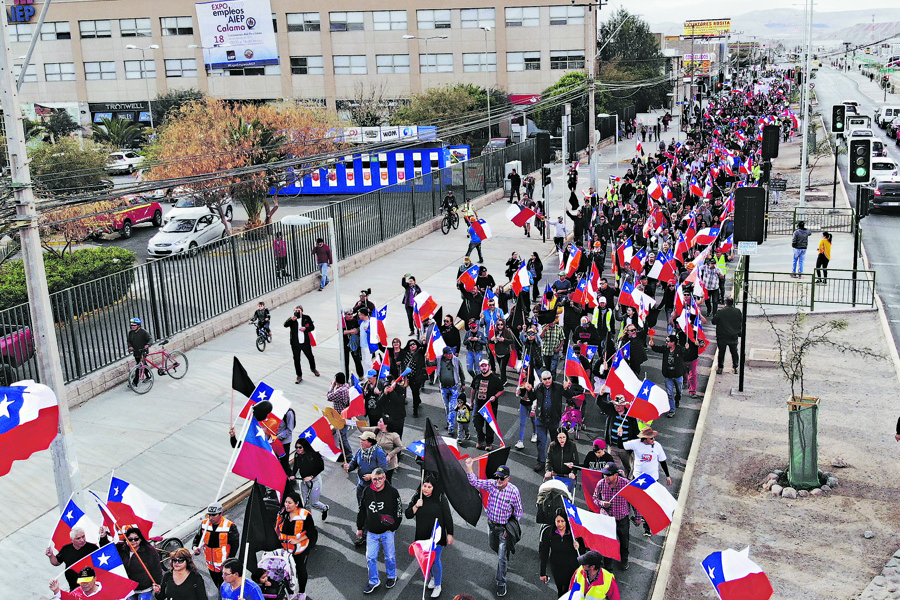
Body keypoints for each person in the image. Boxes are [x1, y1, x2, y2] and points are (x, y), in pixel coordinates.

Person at [464, 461, 524, 597]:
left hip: (504, 529)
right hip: (491, 524)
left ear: (508, 478)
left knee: (501, 558)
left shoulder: (514, 492)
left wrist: (510, 529)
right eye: (497, 477)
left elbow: (519, 511)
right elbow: (474, 482)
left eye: (501, 478)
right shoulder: (491, 484)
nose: (498, 480)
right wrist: (469, 467)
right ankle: (505, 556)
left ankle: (501, 583)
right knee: (493, 546)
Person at [405, 475, 455, 598]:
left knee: (435, 560)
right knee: (428, 560)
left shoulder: (440, 498)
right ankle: (433, 578)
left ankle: (438, 585)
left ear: (434, 487)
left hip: (436, 535)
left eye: (429, 486)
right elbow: (408, 514)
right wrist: (416, 506)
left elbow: (448, 517)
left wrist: (450, 533)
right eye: (424, 486)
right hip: (422, 535)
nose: (426, 489)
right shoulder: (418, 497)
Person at [357, 468, 402, 594]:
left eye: (380, 478)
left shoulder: (393, 492)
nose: (377, 482)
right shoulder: (367, 491)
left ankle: (392, 576)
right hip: (371, 532)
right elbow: (362, 511)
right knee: (370, 557)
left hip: (387, 532)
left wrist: (393, 527)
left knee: (390, 556)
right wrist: (360, 528)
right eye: (374, 479)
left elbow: (398, 511)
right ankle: (373, 581)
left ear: (384, 478)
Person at [623, 428, 671, 536]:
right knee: (637, 501)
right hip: (638, 479)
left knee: (650, 503)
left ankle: (647, 528)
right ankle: (637, 517)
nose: (654, 439)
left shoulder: (657, 446)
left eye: (654, 437)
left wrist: (667, 475)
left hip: (652, 479)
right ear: (644, 439)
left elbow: (662, 461)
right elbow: (622, 446)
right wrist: (620, 434)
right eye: (651, 438)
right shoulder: (635, 444)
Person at [344, 431, 390, 541]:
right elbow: (354, 463)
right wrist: (348, 466)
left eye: (363, 440)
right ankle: (365, 532)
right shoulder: (360, 451)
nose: (361, 442)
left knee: (373, 509)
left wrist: (372, 475)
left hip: (374, 487)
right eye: (360, 439)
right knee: (362, 508)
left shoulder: (378, 452)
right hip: (361, 486)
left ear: (370, 442)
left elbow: (383, 469)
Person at [526, 371, 574, 473]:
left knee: (555, 442)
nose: (547, 381)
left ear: (551, 378)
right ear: (542, 380)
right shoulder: (539, 387)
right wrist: (529, 391)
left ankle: (554, 463)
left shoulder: (558, 387)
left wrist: (566, 388)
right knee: (541, 442)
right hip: (541, 420)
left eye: (549, 378)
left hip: (554, 420)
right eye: (545, 379)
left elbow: (570, 396)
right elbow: (531, 398)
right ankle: (541, 462)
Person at [275, 491, 318, 600]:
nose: (287, 505)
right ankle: (290, 592)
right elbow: (277, 529)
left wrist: (297, 540)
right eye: (285, 502)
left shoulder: (305, 515)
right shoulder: (282, 513)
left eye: (290, 503)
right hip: (285, 550)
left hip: (300, 549)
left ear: (297, 503)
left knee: (300, 569)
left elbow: (311, 532)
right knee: (284, 571)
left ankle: (302, 592)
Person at [592, 464, 633, 572]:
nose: (606, 477)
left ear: (616, 475)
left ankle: (624, 560)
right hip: (606, 520)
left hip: (622, 520)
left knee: (624, 543)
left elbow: (634, 501)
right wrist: (601, 503)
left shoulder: (626, 484)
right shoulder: (601, 484)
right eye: (605, 474)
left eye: (609, 475)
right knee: (607, 544)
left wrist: (638, 517)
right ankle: (608, 567)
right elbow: (595, 498)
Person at [190, 502, 239, 589]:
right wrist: (194, 547)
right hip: (210, 565)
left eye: (214, 515)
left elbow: (235, 545)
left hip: (224, 565)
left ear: (221, 514)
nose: (211, 518)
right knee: (218, 586)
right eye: (209, 515)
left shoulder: (230, 526)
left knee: (226, 588)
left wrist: (229, 562)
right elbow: (197, 538)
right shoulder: (204, 524)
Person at [539, 508, 586, 597]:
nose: (560, 524)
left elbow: (583, 552)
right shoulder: (548, 533)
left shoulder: (574, 533)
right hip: (556, 567)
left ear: (566, 521)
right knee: (560, 588)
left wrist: (578, 547)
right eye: (558, 521)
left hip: (571, 566)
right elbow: (544, 553)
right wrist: (542, 573)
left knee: (567, 588)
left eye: (562, 521)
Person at [114, 527, 164, 600]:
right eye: (130, 539)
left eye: (136, 539)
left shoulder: (149, 551)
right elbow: (106, 548)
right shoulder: (121, 548)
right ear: (126, 539)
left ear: (140, 539)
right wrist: (103, 535)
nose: (133, 541)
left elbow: (156, 569)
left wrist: (157, 583)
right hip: (129, 589)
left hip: (145, 588)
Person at [598, 394, 640, 477]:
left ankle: (626, 482)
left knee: (628, 467)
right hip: (612, 446)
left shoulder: (630, 417)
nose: (616, 407)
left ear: (624, 405)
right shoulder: (612, 411)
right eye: (615, 404)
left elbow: (635, 432)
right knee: (613, 468)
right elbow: (599, 402)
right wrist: (601, 393)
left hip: (625, 449)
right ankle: (616, 483)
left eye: (619, 405)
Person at [290, 438, 330, 520]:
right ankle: (308, 520)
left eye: (300, 447)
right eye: (296, 447)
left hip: (314, 480)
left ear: (305, 447)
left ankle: (324, 508)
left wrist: (311, 476)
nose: (298, 449)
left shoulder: (313, 454)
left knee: (314, 502)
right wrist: (293, 475)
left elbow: (321, 467)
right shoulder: (297, 455)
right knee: (305, 503)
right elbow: (296, 466)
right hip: (303, 480)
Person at [356, 417, 403, 483]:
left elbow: (400, 447)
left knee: (385, 481)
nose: (378, 422)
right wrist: (355, 419)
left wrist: (390, 455)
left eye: (380, 422)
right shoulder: (376, 430)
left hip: (388, 464)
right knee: (375, 481)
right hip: (376, 462)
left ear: (385, 425)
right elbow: (362, 429)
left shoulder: (394, 436)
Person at [649, 333, 686, 418]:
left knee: (679, 391)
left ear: (673, 343)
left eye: (668, 341)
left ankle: (677, 399)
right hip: (668, 376)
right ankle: (672, 409)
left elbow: (688, 353)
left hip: (678, 376)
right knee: (669, 393)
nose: (666, 343)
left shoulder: (680, 349)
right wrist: (653, 345)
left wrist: (688, 349)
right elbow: (657, 349)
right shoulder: (665, 349)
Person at [471, 359, 504, 451]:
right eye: (482, 366)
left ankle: (489, 443)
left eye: (485, 366)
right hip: (478, 405)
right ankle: (480, 439)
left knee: (490, 425)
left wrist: (495, 397)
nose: (484, 367)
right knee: (476, 422)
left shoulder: (495, 379)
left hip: (490, 406)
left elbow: (501, 390)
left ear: (489, 367)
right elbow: (473, 390)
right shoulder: (477, 378)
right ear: (480, 367)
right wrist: (471, 402)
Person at [284, 306, 318, 383]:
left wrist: (305, 329)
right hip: (295, 343)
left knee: (310, 356)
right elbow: (285, 325)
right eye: (295, 310)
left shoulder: (306, 317)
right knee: (296, 359)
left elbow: (312, 327)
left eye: (298, 310)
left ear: (301, 311)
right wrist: (290, 320)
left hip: (305, 342)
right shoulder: (292, 319)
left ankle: (313, 369)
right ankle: (299, 375)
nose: (296, 312)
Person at [712, 296, 742, 375]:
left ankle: (720, 368)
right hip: (733, 336)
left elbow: (714, 321)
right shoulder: (737, 311)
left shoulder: (720, 312)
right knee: (734, 352)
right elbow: (740, 321)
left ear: (725, 303)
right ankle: (735, 367)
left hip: (722, 336)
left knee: (721, 352)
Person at [326, 372, 353, 459]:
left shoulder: (340, 391)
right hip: (346, 413)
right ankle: (344, 453)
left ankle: (347, 455)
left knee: (342, 436)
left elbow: (329, 397)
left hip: (340, 416)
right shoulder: (347, 386)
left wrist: (332, 387)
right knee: (341, 435)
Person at [545, 428, 579, 494]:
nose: (562, 440)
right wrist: (548, 471)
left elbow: (576, 461)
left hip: (568, 475)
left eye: (564, 437)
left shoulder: (572, 445)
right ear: (556, 438)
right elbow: (549, 460)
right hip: (556, 474)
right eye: (560, 438)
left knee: (565, 492)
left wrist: (573, 472)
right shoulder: (552, 446)